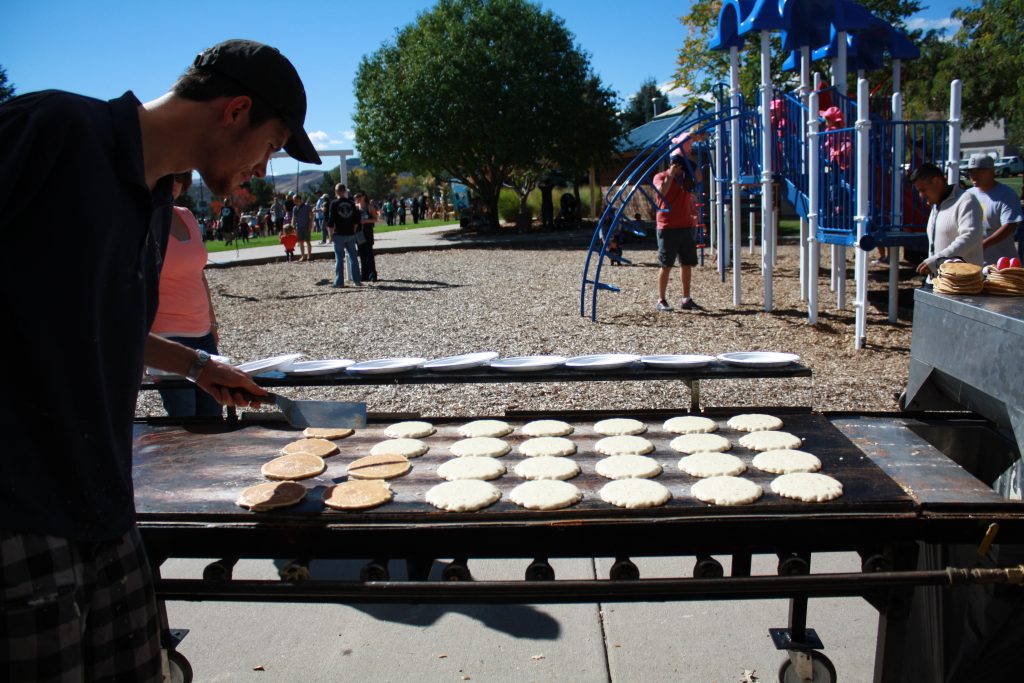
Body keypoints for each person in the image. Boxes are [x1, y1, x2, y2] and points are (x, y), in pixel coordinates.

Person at [0, 38, 318, 681]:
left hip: (107, 502)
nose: (263, 167)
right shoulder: (54, 130)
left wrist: (197, 365)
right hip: (18, 511)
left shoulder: (151, 202)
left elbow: (97, 325)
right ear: (235, 111)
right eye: (271, 144)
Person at [151, 172, 223, 418]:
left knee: (214, 417)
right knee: (186, 423)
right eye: (168, 177)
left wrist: (212, 322)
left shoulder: (186, 215)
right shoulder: (143, 219)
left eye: (179, 178)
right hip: (166, 336)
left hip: (202, 334)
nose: (173, 184)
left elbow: (199, 274)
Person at [652, 128, 704, 311]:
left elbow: (699, 177)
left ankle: (686, 298)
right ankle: (661, 299)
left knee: (687, 263)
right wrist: (672, 174)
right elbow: (662, 192)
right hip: (667, 226)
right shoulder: (661, 177)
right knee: (666, 264)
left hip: (685, 224)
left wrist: (689, 163)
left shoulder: (686, 179)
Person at [910, 162, 984, 280]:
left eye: (923, 190)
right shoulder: (936, 205)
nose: (921, 195)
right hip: (938, 281)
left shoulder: (966, 201)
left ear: (936, 181)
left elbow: (970, 237)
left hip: (963, 283)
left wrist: (937, 260)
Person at [965, 154, 1022, 264]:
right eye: (971, 171)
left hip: (1002, 265)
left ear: (992, 171)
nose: (974, 175)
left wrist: (985, 244)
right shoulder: (968, 195)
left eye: (979, 171)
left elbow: (1010, 226)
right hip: (976, 265)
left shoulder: (1006, 194)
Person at [327, 183, 362, 287]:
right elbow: (356, 221)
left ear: (336, 191)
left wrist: (330, 235)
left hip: (338, 234)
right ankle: (357, 281)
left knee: (339, 258)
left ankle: (339, 282)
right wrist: (353, 231)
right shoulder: (351, 203)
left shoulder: (334, 204)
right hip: (350, 233)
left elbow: (330, 221)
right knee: (353, 258)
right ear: (345, 191)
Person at [355, 191, 379, 281]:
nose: (358, 198)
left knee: (369, 254)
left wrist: (366, 221)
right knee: (362, 254)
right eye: (356, 196)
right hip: (359, 233)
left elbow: (375, 219)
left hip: (368, 232)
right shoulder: (356, 207)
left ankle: (372, 274)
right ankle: (364, 274)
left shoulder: (369, 207)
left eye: (359, 196)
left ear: (364, 197)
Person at [292, 192, 313, 261]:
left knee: (308, 241)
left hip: (306, 226)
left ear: (299, 199)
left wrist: (310, 224)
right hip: (299, 227)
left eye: (295, 200)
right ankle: (303, 256)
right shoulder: (295, 208)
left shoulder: (307, 206)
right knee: (300, 242)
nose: (294, 201)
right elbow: (294, 217)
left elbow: (311, 216)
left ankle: (309, 256)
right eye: (293, 200)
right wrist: (293, 226)